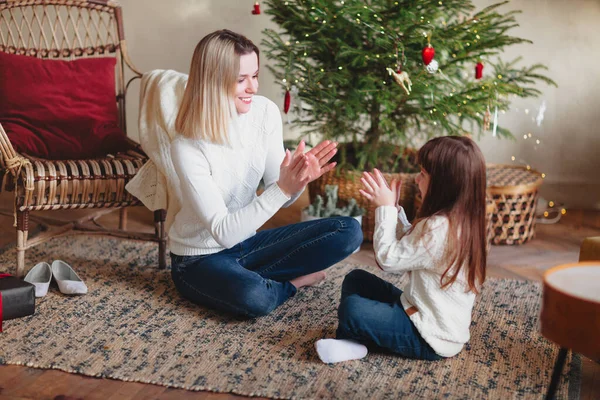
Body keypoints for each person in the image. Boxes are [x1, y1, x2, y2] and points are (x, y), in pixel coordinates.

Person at [169, 29, 363, 318]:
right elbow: (223, 232)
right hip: (198, 259)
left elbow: (282, 196)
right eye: (241, 80)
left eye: (255, 76)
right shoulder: (186, 146)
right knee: (254, 297)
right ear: (212, 81)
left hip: (248, 245)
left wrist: (297, 180)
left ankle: (258, 278)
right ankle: (291, 284)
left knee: (348, 231)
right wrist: (283, 189)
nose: (253, 87)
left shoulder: (265, 113)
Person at [315, 136, 487, 363]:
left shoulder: (439, 229)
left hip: (428, 336)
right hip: (416, 308)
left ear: (445, 184)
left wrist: (385, 209)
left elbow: (388, 259)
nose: (417, 179)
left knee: (353, 309)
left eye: (423, 174)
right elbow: (413, 246)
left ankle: (353, 342)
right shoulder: (462, 220)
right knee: (356, 279)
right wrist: (394, 210)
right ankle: (354, 339)